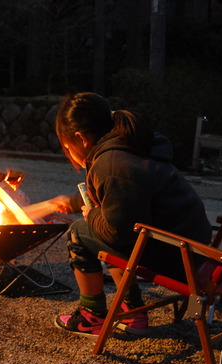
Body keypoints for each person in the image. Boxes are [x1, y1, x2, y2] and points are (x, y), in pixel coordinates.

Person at [49, 92, 212, 337]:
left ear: (80, 138)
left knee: (80, 233)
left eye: (67, 146)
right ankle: (133, 311)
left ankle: (91, 316)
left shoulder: (111, 163)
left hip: (178, 260)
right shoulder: (132, 145)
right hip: (193, 248)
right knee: (106, 225)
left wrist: (91, 215)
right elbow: (126, 199)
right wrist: (75, 204)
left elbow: (117, 232)